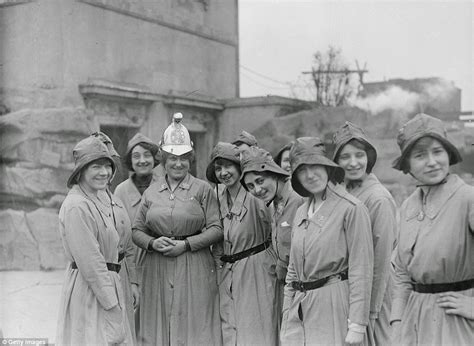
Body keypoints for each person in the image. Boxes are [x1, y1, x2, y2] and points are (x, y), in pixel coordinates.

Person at [132, 113, 223, 345]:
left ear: (191, 159)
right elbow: (137, 230)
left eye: (184, 158)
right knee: (158, 324)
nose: (178, 163)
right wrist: (152, 243)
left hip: (194, 264)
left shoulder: (203, 190)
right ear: (163, 160)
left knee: (194, 323)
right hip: (157, 266)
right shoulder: (151, 192)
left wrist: (187, 244)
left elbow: (216, 229)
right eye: (172, 158)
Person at [280, 137, 374, 345]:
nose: (310, 175)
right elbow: (293, 271)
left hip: (335, 304)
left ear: (328, 167)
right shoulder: (301, 211)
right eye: (302, 170)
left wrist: (357, 325)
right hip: (301, 308)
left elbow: (361, 269)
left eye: (315, 166)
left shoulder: (351, 209)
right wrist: (287, 314)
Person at [390, 113, 474, 344]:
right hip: (413, 322)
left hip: (457, 323)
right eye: (419, 155)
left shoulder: (468, 199)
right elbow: (402, 273)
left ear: (448, 154)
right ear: (407, 166)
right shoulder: (407, 207)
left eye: (437, 151)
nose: (432, 161)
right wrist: (396, 323)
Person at [56, 136, 133, 345]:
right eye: (96, 167)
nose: (104, 173)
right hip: (91, 290)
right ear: (81, 171)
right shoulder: (77, 205)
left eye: (107, 166)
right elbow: (91, 263)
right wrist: (111, 303)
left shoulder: (100, 199)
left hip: (107, 285)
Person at [206, 142, 278, 345]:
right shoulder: (218, 197)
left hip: (257, 268)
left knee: (257, 328)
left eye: (228, 166)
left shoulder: (255, 193)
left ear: (239, 167)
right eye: (218, 168)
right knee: (230, 328)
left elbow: (275, 230)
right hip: (227, 271)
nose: (223, 172)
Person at [332, 121, 397, 345]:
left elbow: (380, 261)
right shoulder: (343, 191)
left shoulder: (378, 199)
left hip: (373, 294)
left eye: (359, 155)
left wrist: (368, 313)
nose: (353, 163)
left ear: (369, 156)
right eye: (345, 157)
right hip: (352, 289)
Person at [240, 146, 303, 322]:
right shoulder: (275, 202)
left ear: (274, 174)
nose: (257, 190)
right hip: (287, 286)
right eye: (250, 186)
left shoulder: (297, 199)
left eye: (260, 181)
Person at [114, 132, 159, 339]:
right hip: (133, 269)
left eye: (147, 155)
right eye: (136, 156)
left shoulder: (166, 184)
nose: (142, 160)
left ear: (155, 158)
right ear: (130, 161)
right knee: (134, 324)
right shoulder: (121, 192)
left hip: (163, 264)